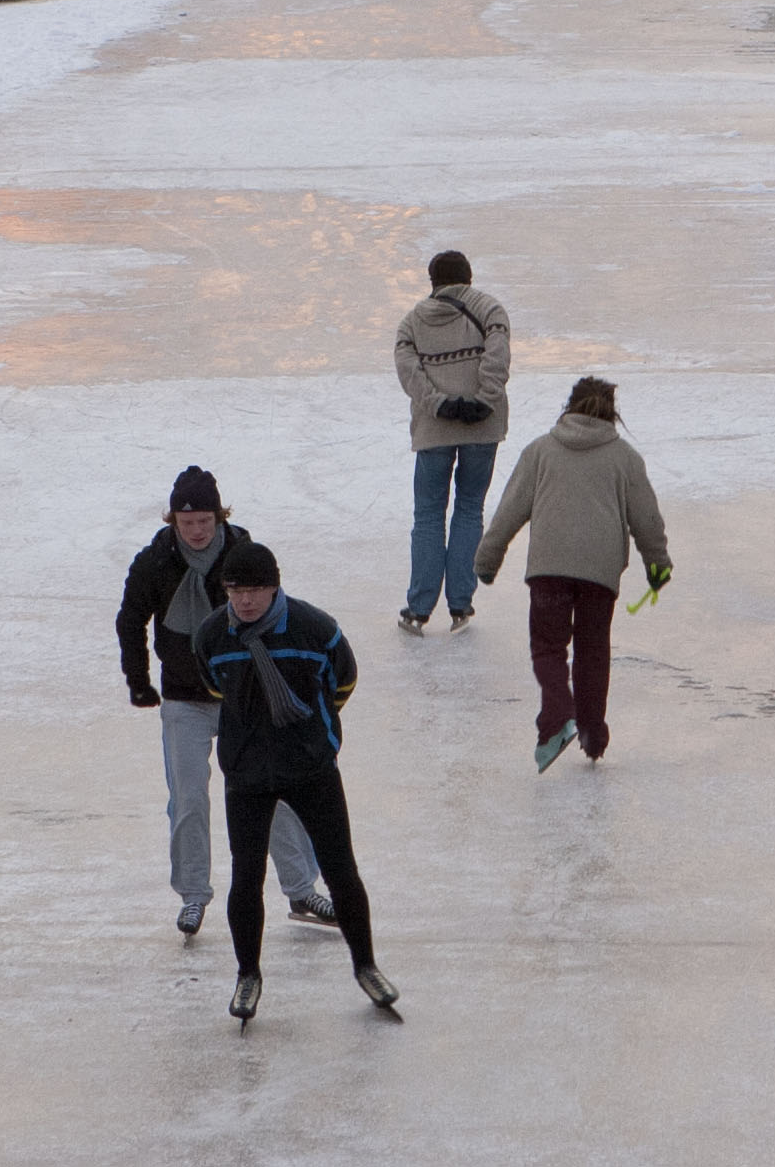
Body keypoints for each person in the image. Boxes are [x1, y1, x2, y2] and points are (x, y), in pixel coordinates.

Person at [114, 466, 325, 937]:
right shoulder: (154, 561)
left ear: (219, 516)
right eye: (187, 522)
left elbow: (276, 615)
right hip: (183, 698)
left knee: (275, 790)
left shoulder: (242, 555)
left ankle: (301, 888)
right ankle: (193, 895)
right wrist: (138, 680)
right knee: (188, 798)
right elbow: (130, 620)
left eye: (204, 521)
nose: (196, 531)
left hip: (242, 697)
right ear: (173, 520)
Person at [189, 539, 393, 1022]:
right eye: (236, 591)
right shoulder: (213, 635)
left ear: (275, 587)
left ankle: (366, 966)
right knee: (246, 877)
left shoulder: (314, 628)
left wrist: (311, 733)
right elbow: (215, 686)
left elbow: (343, 681)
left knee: (340, 870)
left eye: (255, 590)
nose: (245, 601)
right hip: (247, 773)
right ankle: (248, 974)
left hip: (310, 768)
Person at [476, 374, 672, 769]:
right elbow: (646, 519)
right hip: (600, 573)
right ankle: (592, 734)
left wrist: (488, 558)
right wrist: (657, 564)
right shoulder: (625, 459)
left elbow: (510, 510)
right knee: (592, 651)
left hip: (548, 568)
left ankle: (557, 717)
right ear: (612, 414)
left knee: (548, 647)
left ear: (569, 406)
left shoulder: (541, 451)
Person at [391, 249, 513, 633]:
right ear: (468, 276)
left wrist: (439, 405)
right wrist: (483, 401)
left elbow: (410, 374)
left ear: (433, 281)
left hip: (434, 431)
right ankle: (460, 605)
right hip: (482, 428)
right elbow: (498, 359)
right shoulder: (491, 311)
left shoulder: (411, 323)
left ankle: (418, 609)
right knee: (469, 509)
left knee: (428, 515)